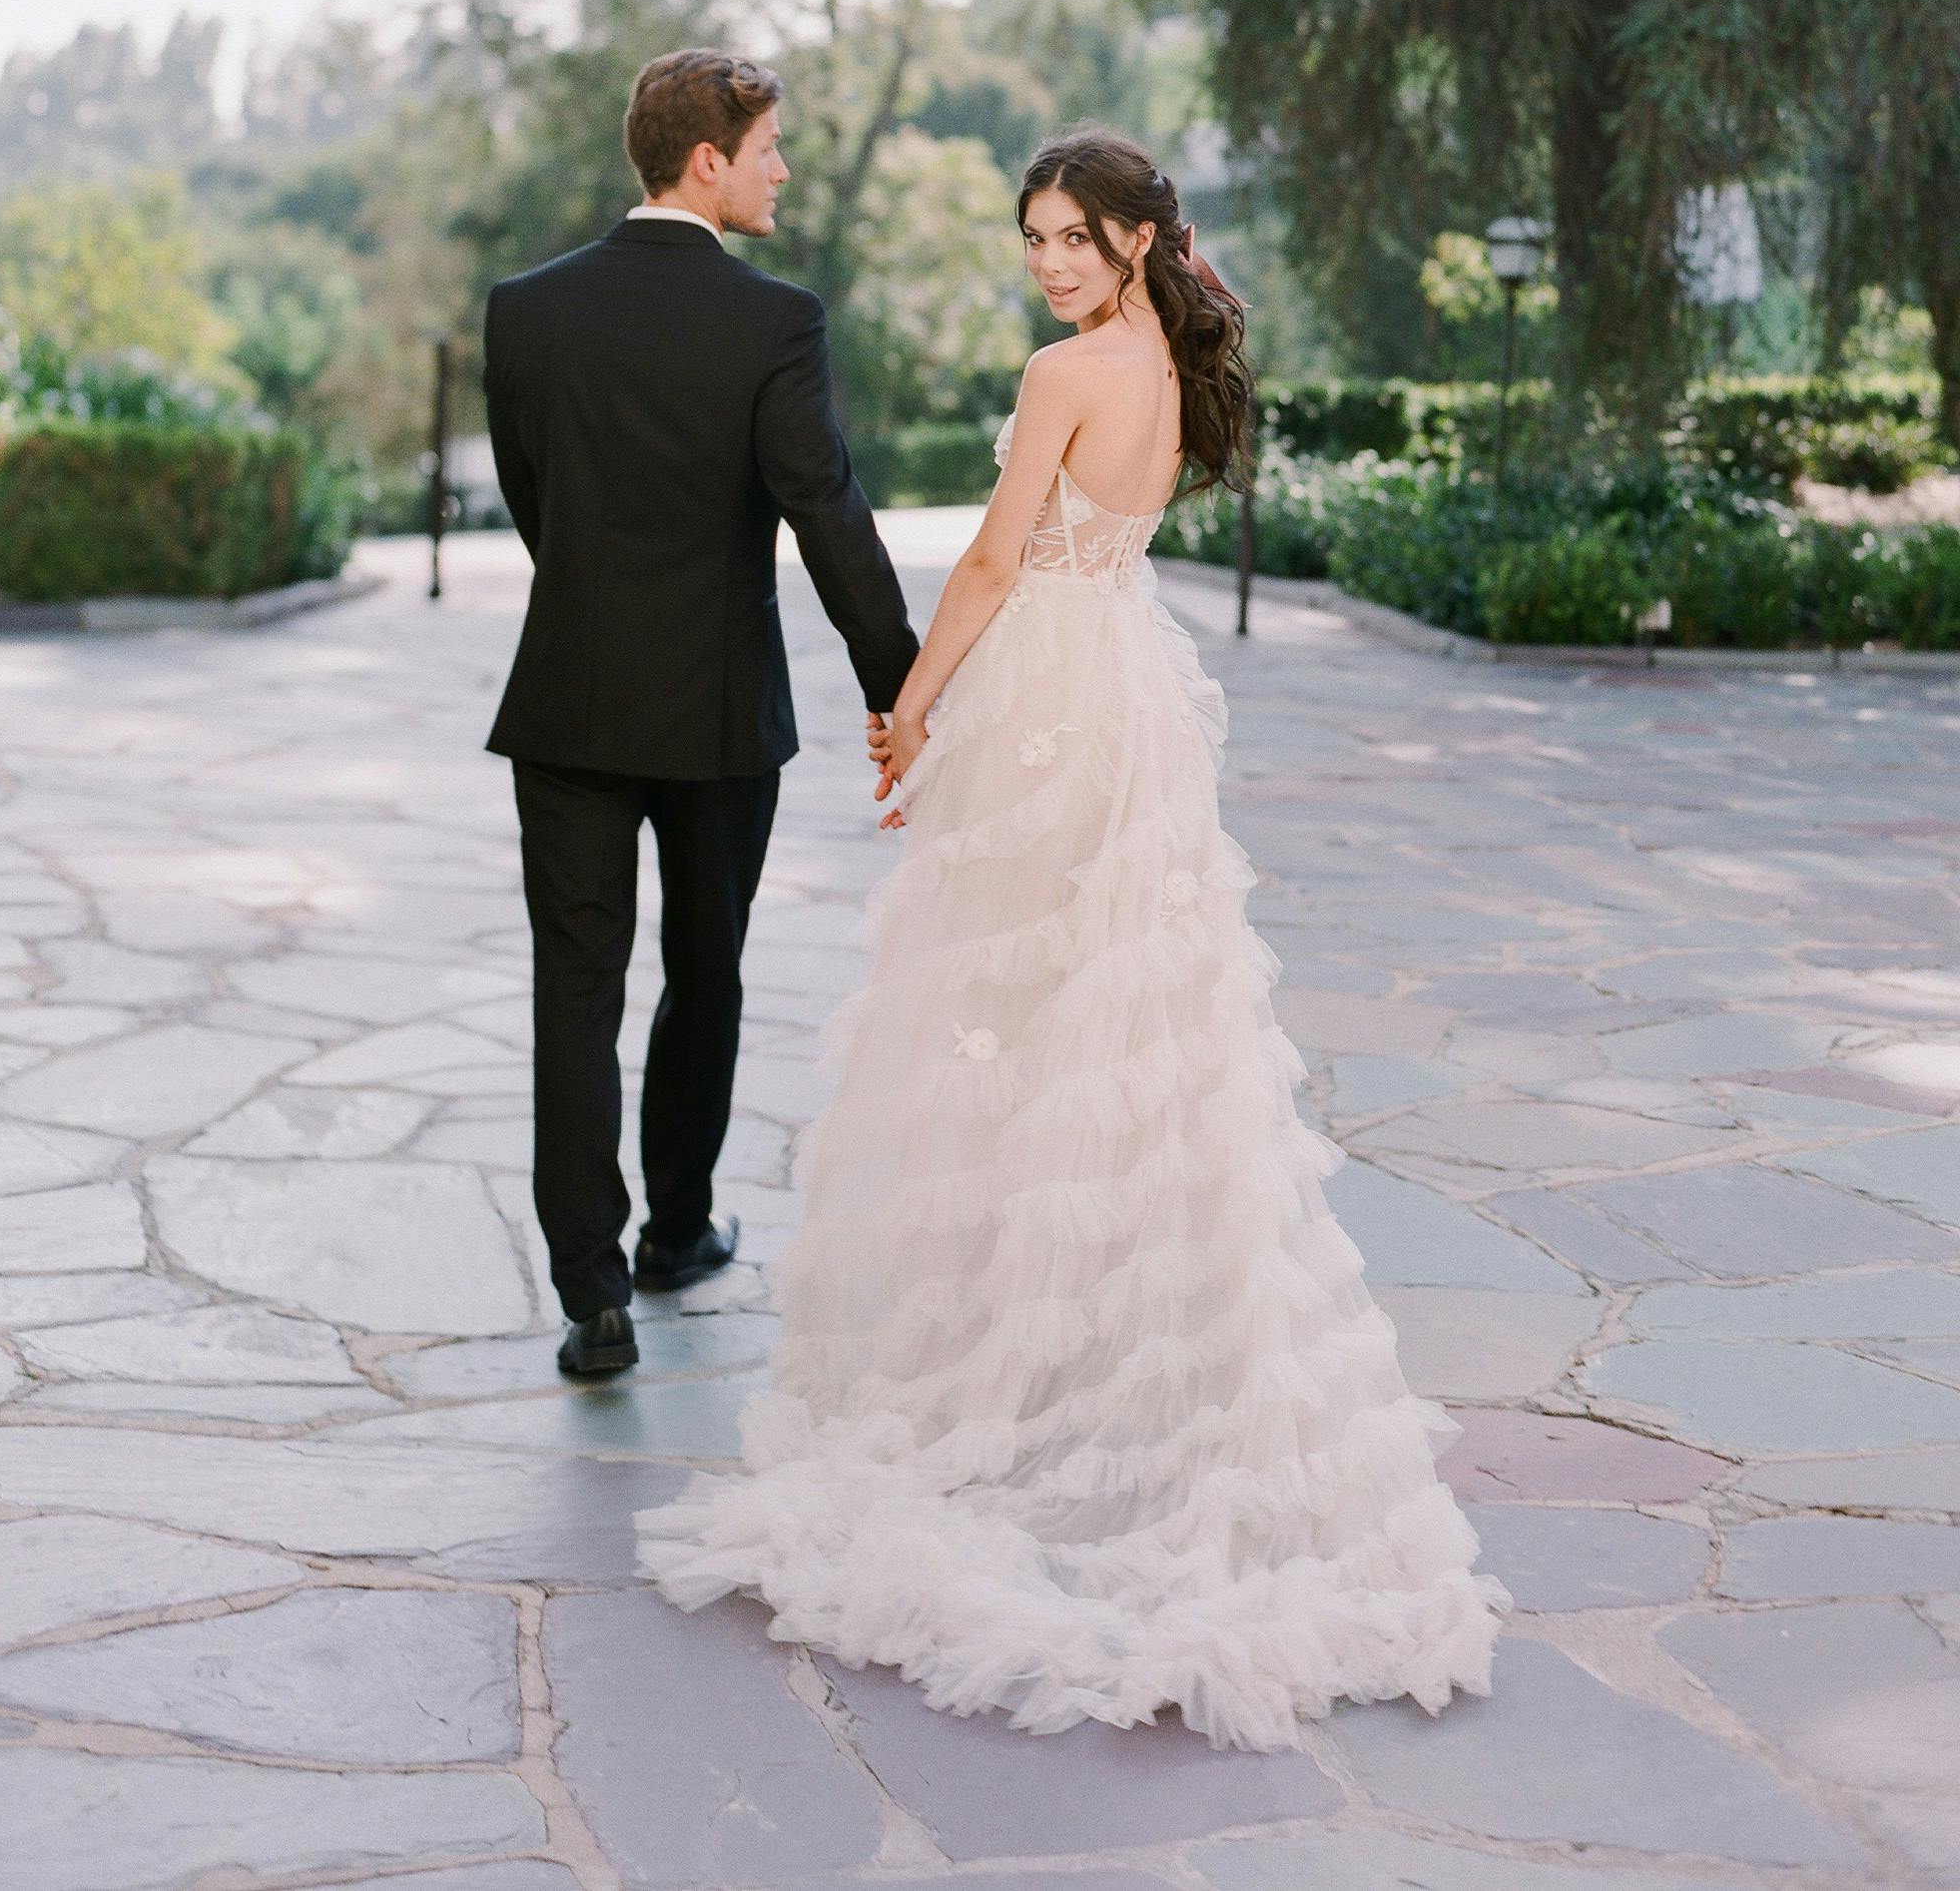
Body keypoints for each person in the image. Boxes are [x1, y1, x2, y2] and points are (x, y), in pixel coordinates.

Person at [636, 126, 1507, 1751]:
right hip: (1131, 694)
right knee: (1119, 1020)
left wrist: (908, 708)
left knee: (1010, 1017)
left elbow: (990, 558)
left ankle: (1010, 1367)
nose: (1045, 262)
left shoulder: (1065, 373)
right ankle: (1095, 1337)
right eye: (1031, 237)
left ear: (1134, 237)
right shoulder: (1178, 366)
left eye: (1068, 236)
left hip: (1047, 698)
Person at [483, 48, 919, 1381]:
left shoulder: (526, 310)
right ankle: (676, 1233)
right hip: (722, 712)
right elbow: (826, 510)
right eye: (769, 147)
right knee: (706, 968)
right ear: (708, 159)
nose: (783, 169)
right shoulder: (773, 323)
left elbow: (534, 498)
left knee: (575, 989)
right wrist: (901, 684)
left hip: (568, 700)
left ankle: (592, 1293)